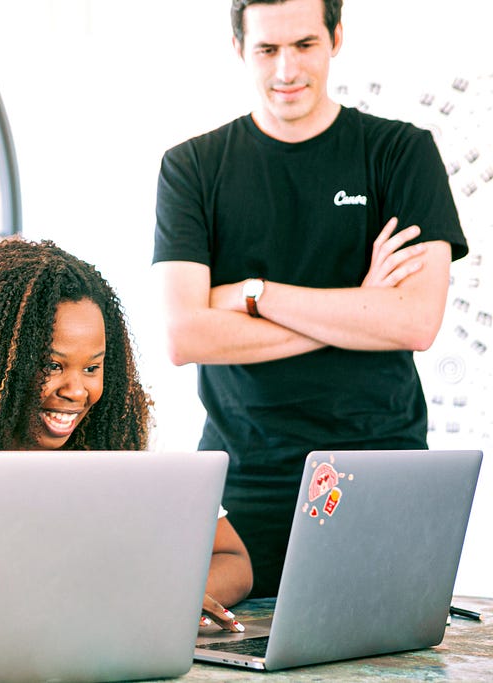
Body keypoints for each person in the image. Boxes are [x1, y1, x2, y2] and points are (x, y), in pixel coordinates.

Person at [151, 0, 469, 598]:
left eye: (304, 45)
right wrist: (358, 308)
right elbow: (184, 335)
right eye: (267, 50)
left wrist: (253, 294)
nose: (286, 70)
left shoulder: (400, 154)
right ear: (239, 48)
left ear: (336, 37)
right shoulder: (191, 168)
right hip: (242, 480)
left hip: (380, 467)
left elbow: (416, 321)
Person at [0, 237, 253, 628]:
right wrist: (126, 593)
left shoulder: (127, 429)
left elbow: (233, 562)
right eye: (52, 365)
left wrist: (165, 596)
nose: (75, 391)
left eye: (92, 368)